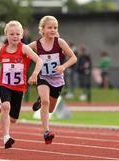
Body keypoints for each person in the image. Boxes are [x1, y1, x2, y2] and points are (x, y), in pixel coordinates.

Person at [0, 20, 43, 149]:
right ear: (6, 34)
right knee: (6, 107)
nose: (15, 37)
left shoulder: (24, 48)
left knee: (13, 119)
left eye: (18, 34)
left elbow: (39, 60)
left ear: (22, 35)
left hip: (19, 88)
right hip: (4, 85)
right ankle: (6, 137)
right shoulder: (2, 50)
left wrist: (34, 74)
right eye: (12, 34)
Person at [29, 16, 77, 144]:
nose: (53, 30)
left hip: (57, 79)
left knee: (50, 109)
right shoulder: (36, 45)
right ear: (42, 29)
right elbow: (22, 51)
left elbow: (73, 58)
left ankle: (40, 100)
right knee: (45, 102)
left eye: (55, 27)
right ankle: (46, 131)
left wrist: (63, 66)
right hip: (43, 77)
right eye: (50, 27)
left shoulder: (60, 42)